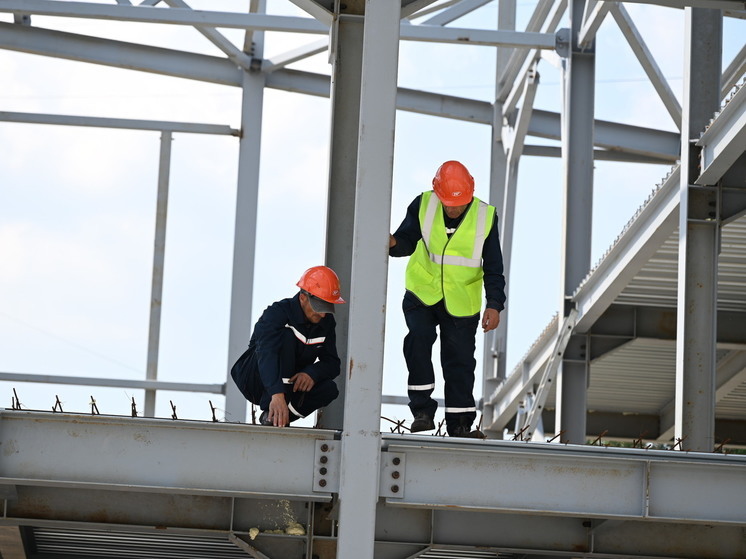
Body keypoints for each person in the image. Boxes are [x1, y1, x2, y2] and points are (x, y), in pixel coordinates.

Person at [389, 160, 506, 438]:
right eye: (448, 203)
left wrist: (494, 304)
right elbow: (406, 241)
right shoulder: (423, 205)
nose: (453, 208)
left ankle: (460, 425)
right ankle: (422, 412)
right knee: (418, 341)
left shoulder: (485, 216)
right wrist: (391, 243)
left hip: (462, 300)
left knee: (460, 362)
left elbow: (494, 266)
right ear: (437, 193)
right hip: (422, 291)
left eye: (459, 203)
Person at [231, 266, 345, 427]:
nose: (322, 314)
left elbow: (333, 364)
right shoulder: (277, 313)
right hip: (258, 380)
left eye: (327, 308)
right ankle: (272, 407)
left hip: (291, 383)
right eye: (319, 308)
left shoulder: (326, 322)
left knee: (329, 389)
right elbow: (266, 355)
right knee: (287, 335)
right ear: (303, 297)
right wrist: (276, 395)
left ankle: (279, 416)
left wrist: (311, 373)